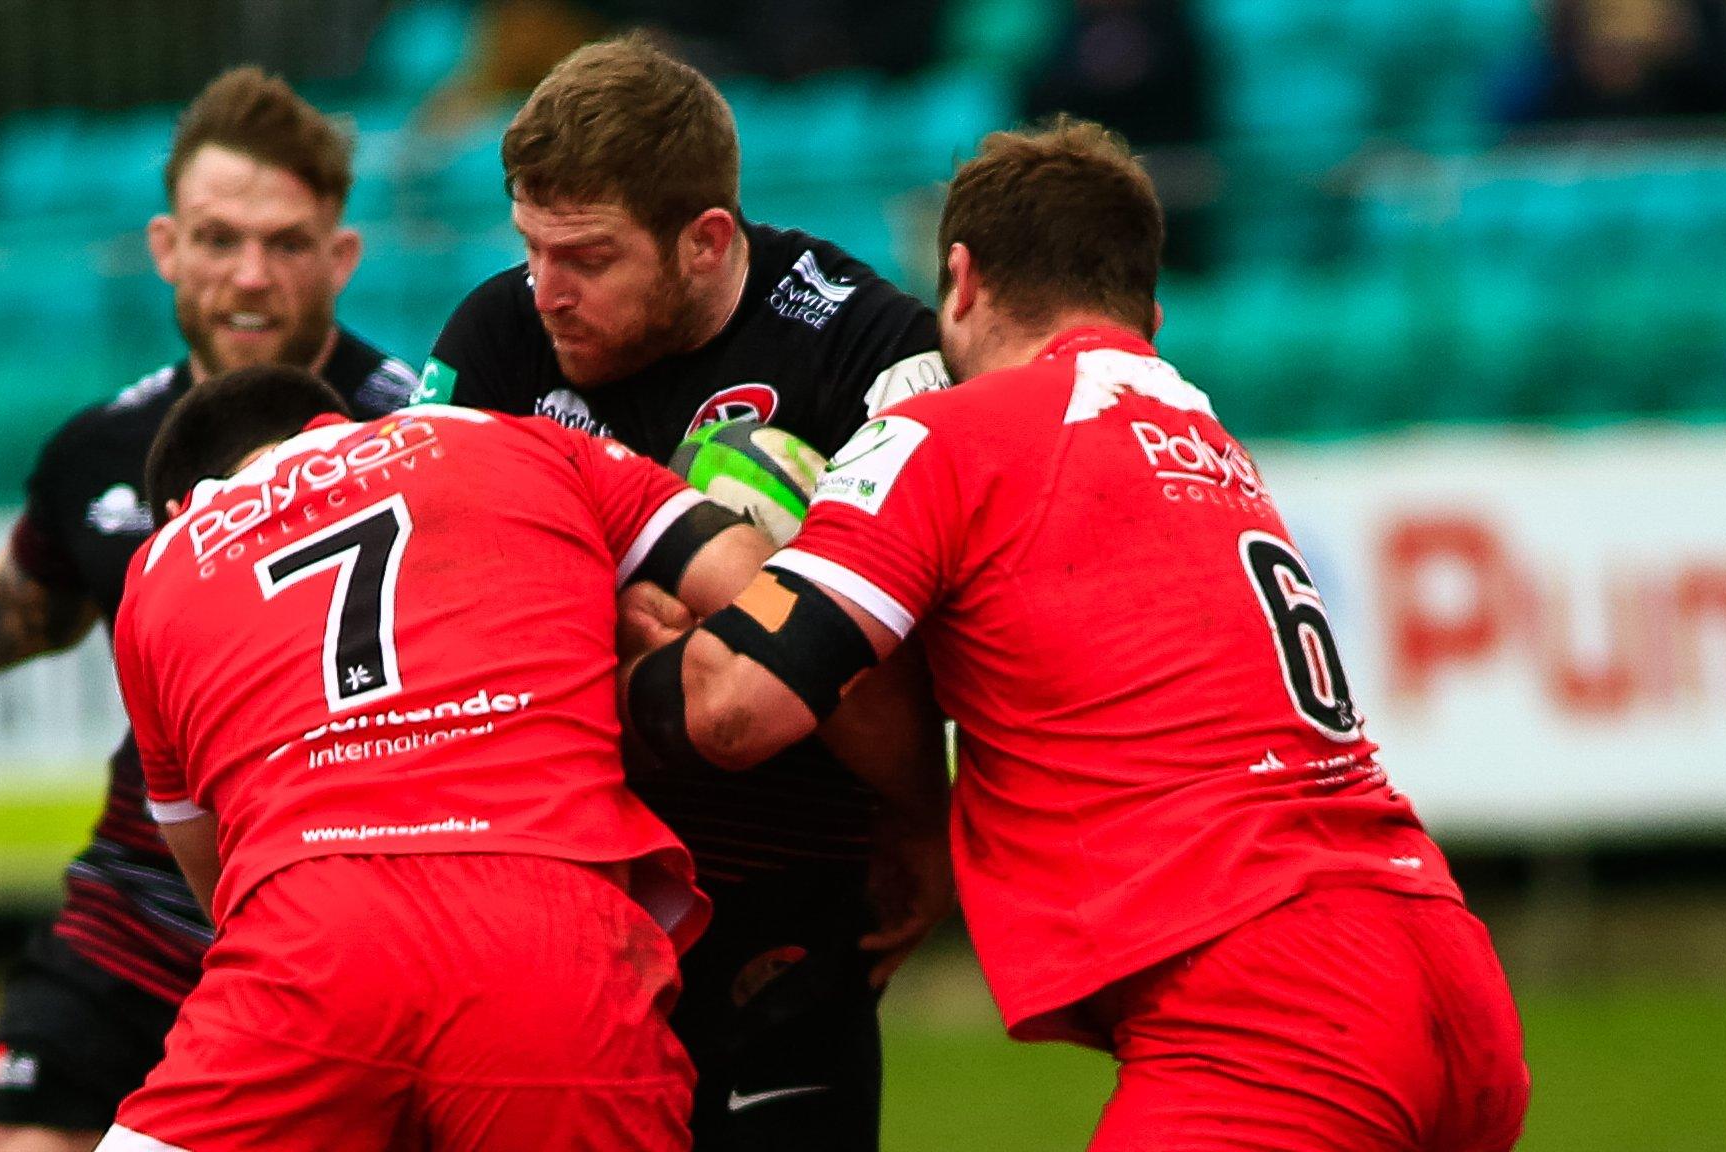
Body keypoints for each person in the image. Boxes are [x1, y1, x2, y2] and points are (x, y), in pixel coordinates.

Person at [622, 118, 1533, 1151]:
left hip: (1274, 1005)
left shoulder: (945, 431)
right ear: (1147, 308)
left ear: (957, 282)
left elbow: (737, 706)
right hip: (1444, 965)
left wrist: (634, 652)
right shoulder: (1201, 432)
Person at [0, 68, 419, 1152]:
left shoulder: (421, 440)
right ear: (165, 248)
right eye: (217, 238)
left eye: (286, 242)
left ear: (340, 255)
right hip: (140, 912)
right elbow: (15, 615)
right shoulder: (97, 449)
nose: (250, 276)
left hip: (347, 925)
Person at [100, 365, 933, 1152]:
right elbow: (772, 607)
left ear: (182, 501)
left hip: (314, 932)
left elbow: (220, 884)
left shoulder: (163, 564)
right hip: (547, 919)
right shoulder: (514, 439)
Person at [415, 34, 952, 1150]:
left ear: (706, 241)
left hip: (788, 875)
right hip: (562, 880)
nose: (545, 293)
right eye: (529, 249)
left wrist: (921, 820)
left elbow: (925, 635)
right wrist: (626, 612)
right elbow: (428, 612)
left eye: (587, 260)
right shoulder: (494, 336)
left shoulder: (872, 347)